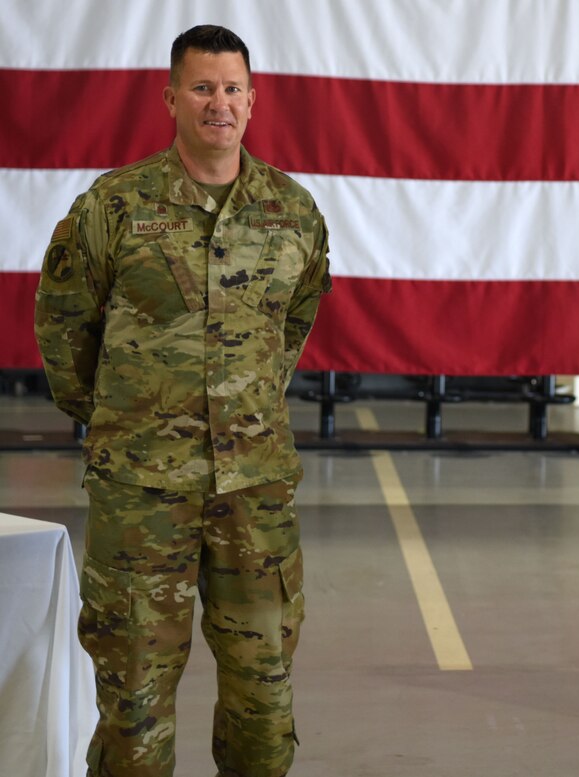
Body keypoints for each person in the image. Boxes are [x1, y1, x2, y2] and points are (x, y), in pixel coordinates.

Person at [34, 25, 331, 777]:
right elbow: (64, 323)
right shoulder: (116, 205)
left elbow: (293, 323)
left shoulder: (292, 213)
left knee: (264, 702)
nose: (218, 104)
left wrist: (245, 409)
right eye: (202, 87)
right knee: (133, 704)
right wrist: (115, 421)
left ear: (254, 101)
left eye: (232, 89)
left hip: (255, 493)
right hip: (142, 497)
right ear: (171, 98)